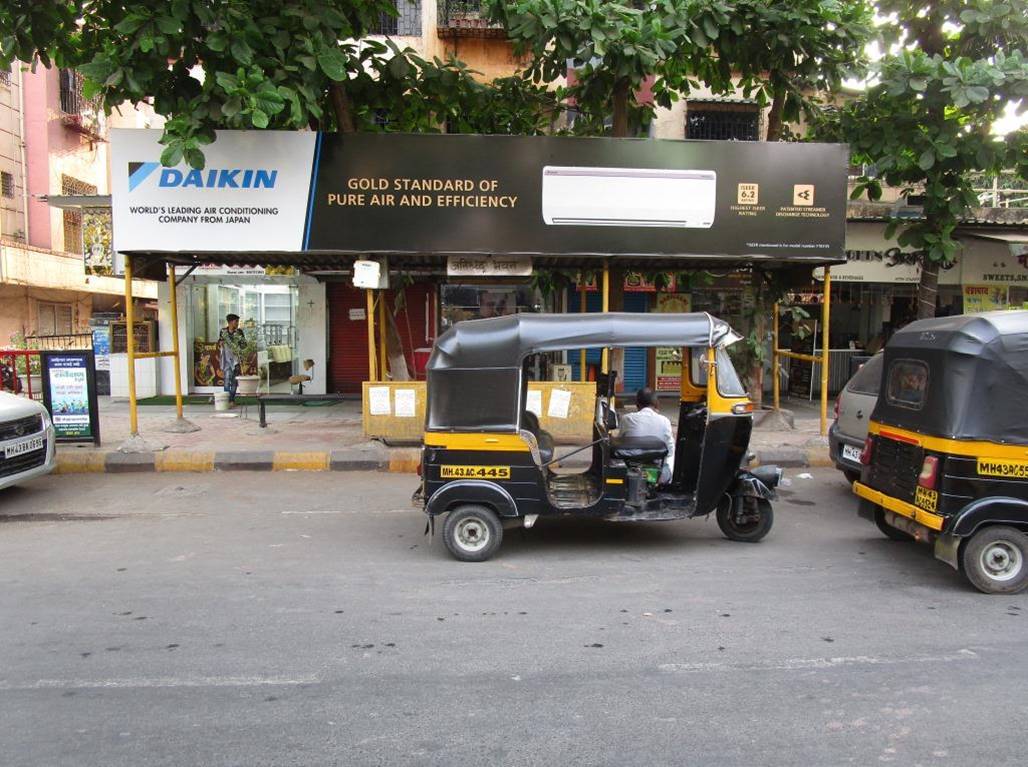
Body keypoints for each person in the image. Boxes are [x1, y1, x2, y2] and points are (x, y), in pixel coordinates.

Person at [619, 387, 675, 484]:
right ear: (657, 404)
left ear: (637, 404)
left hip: (632, 471)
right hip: (657, 475)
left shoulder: (626, 419)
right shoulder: (664, 421)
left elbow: (621, 442)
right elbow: (670, 451)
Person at [218, 313, 247, 405]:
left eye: (237, 321)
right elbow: (220, 342)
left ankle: (232, 399)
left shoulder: (239, 332)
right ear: (230, 322)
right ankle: (226, 399)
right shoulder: (223, 332)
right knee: (227, 379)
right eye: (236, 321)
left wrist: (239, 348)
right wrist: (221, 343)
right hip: (227, 360)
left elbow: (244, 344)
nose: (237, 323)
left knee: (234, 380)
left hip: (236, 359)